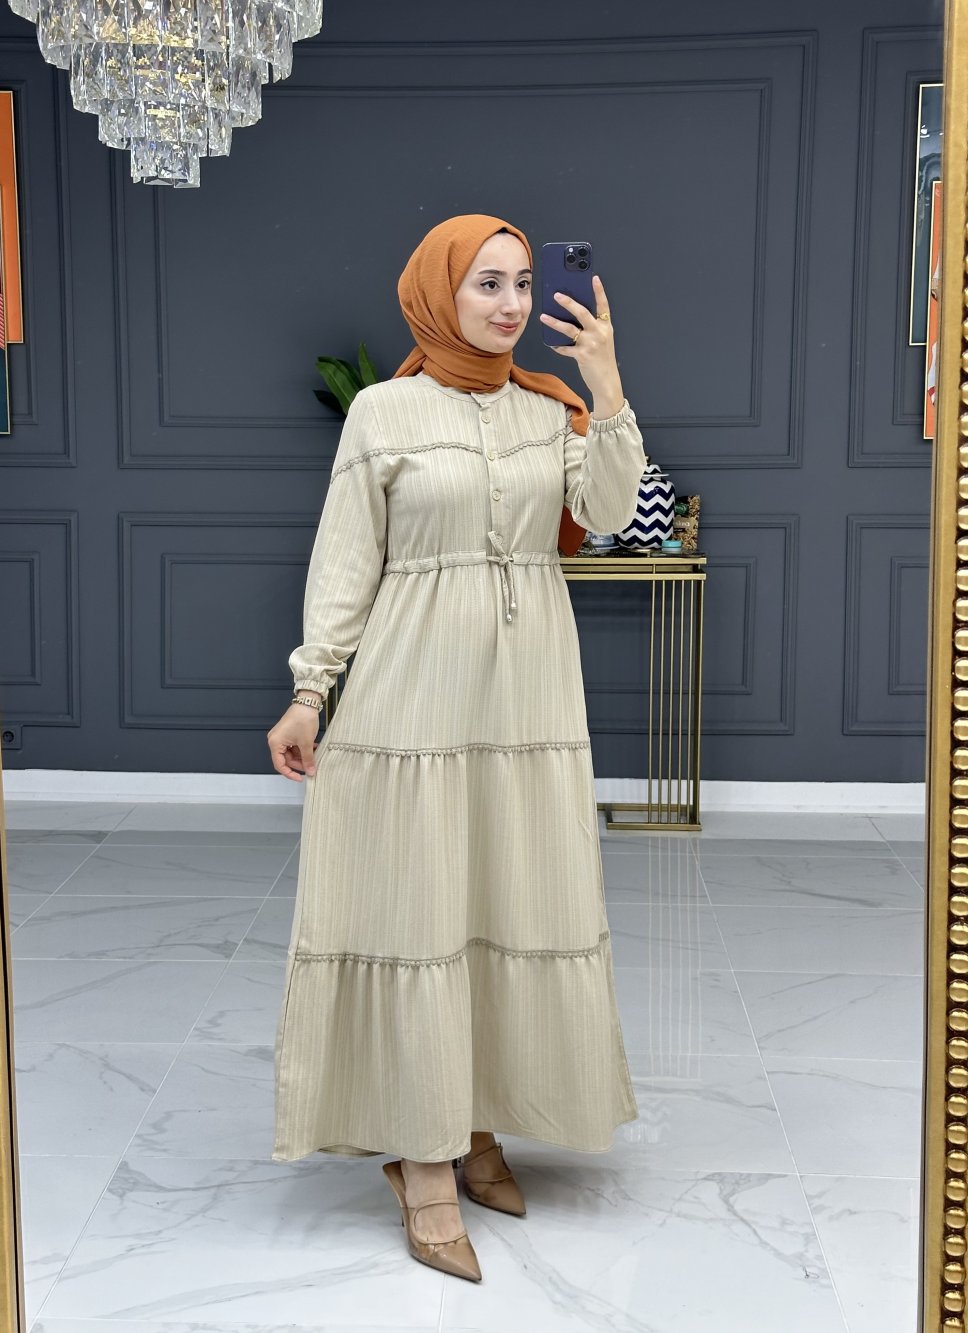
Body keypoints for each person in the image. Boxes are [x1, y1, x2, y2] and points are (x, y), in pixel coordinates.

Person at [266, 213, 646, 1283]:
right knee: (421, 908)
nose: (512, 303)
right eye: (488, 283)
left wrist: (606, 384)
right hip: (412, 691)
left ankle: (473, 1119)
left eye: (523, 282)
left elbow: (608, 511)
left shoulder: (550, 408)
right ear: (439, 292)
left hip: (526, 700)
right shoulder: (383, 412)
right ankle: (423, 1158)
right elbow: (346, 558)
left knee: (505, 900)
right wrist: (310, 690)